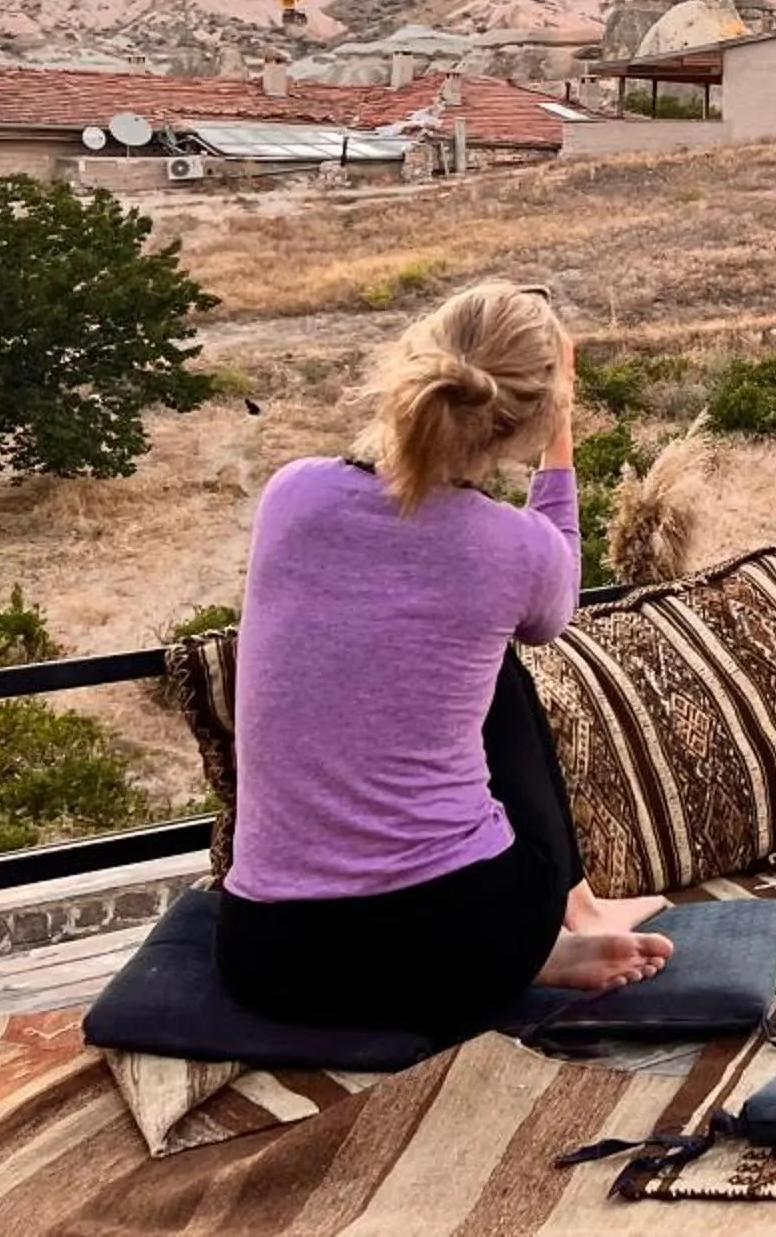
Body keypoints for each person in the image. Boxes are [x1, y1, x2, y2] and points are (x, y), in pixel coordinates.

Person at [216, 280, 673, 1039]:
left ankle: (553, 943)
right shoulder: (513, 550)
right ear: (531, 412)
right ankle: (564, 923)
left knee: (451, 645)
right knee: (502, 659)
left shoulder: (291, 494)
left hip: (267, 960)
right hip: (465, 944)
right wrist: (561, 436)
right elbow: (553, 605)